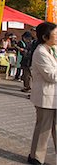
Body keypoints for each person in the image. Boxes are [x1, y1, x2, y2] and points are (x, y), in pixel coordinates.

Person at [27, 22, 57, 165]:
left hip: (54, 96)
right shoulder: (40, 53)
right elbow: (51, 76)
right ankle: (36, 157)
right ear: (45, 37)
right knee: (43, 129)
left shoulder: (52, 49)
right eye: (55, 34)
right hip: (46, 97)